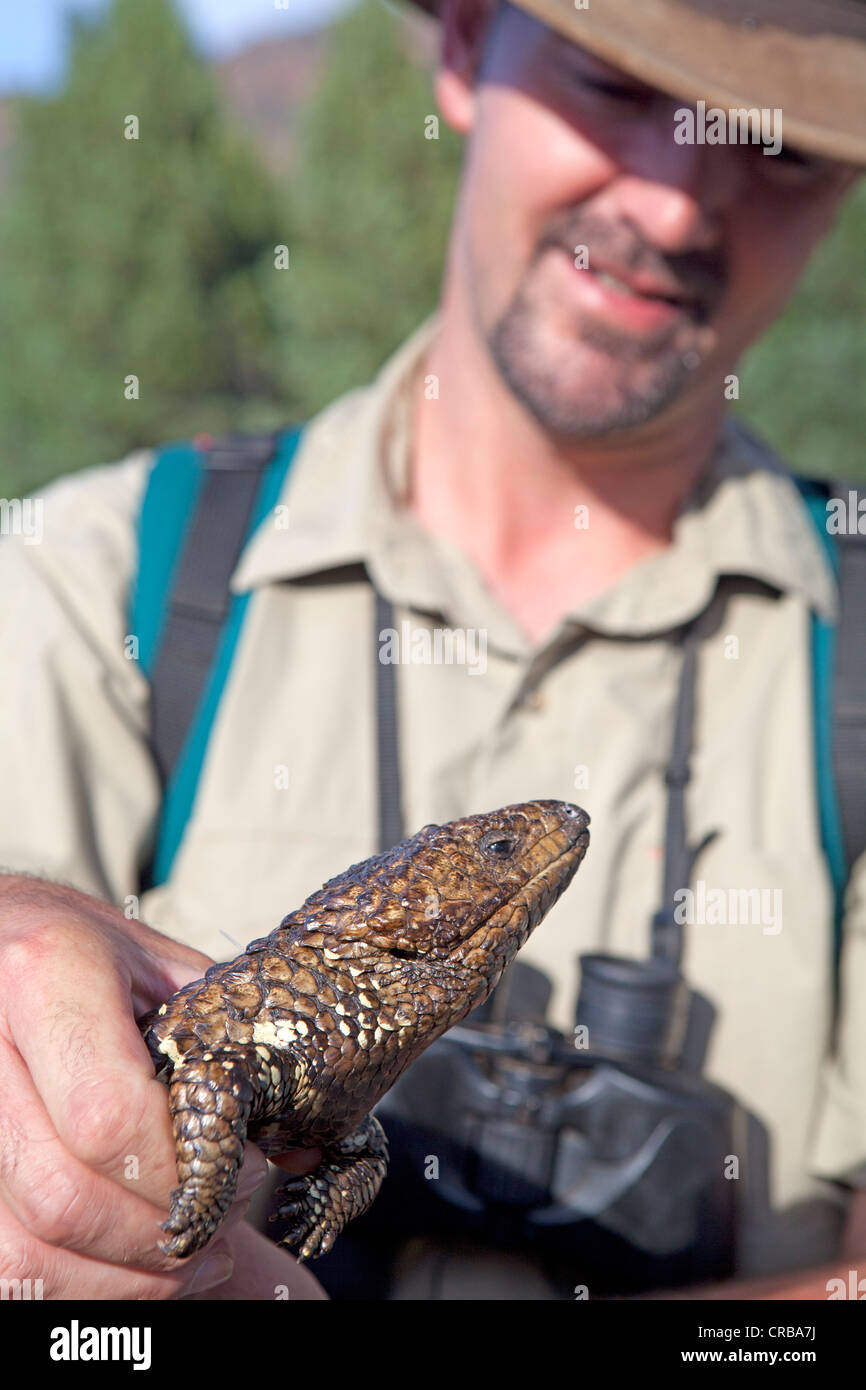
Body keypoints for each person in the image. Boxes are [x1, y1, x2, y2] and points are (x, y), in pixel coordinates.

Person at [0, 0, 864, 1301]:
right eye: (616, 87)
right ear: (461, 45)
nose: (679, 201)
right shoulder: (93, 578)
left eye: (779, 145)